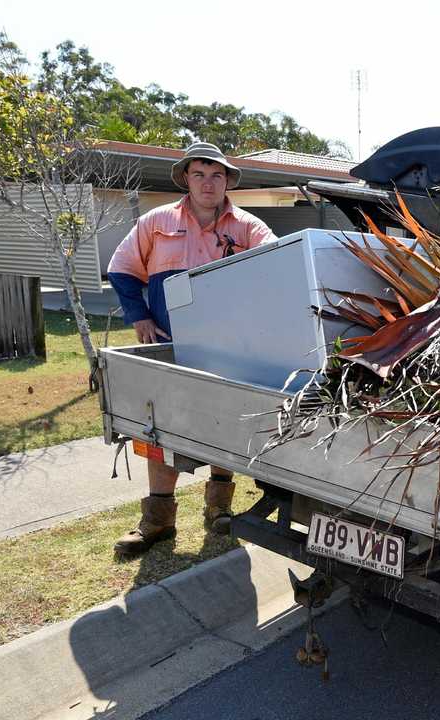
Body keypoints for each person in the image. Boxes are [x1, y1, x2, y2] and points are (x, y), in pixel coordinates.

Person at [107, 142, 277, 557]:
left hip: (230, 349)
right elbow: (122, 269)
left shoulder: (249, 228)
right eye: (199, 173)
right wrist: (140, 318)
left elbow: (277, 264)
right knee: (159, 428)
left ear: (227, 181)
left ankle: (219, 510)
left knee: (224, 425)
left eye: (216, 174)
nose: (208, 182)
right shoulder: (156, 221)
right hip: (169, 345)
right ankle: (157, 522)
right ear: (186, 177)